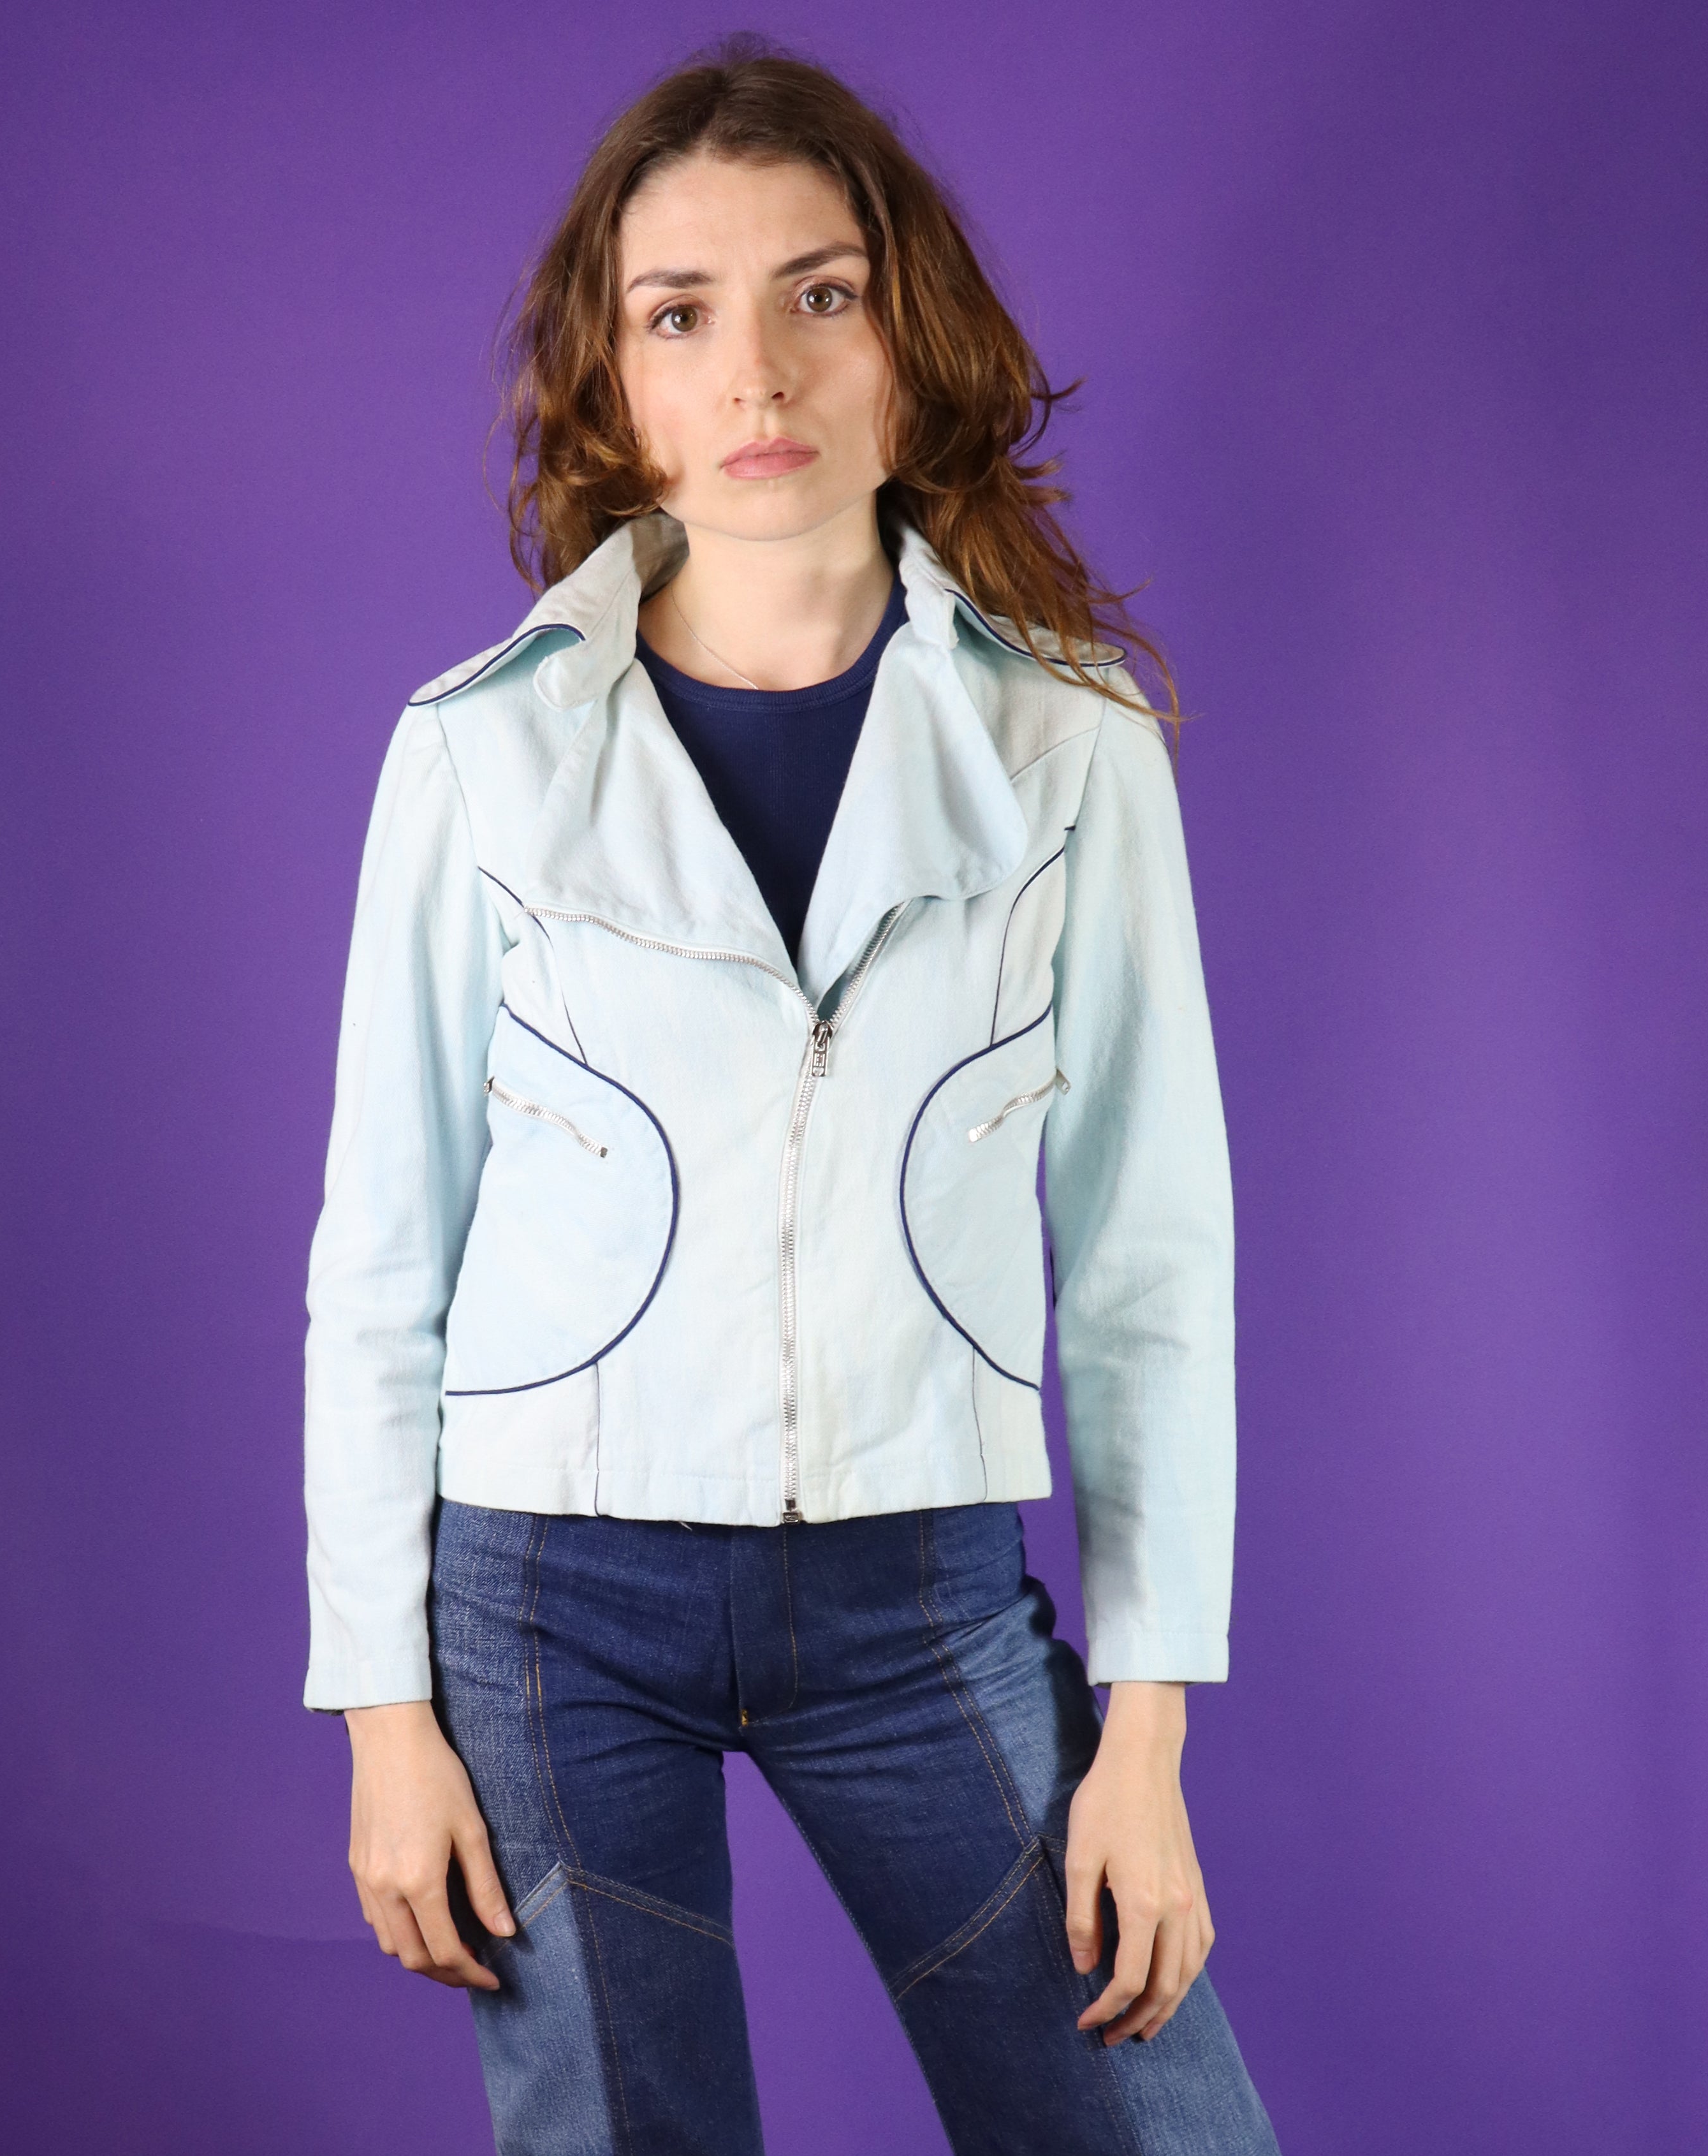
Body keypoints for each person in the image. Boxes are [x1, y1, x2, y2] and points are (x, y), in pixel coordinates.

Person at [301, 36, 1279, 2156]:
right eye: (682, 314)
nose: (755, 370)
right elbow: (382, 1257)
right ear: (618, 385)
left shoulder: (1073, 753)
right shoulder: (476, 753)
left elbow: (1149, 1266)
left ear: (907, 343)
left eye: (818, 295)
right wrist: (383, 1711)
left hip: (916, 1591)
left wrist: (1147, 1744)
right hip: (548, 1601)